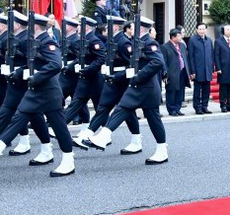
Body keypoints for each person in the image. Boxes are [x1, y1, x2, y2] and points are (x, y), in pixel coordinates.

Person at [0, 13, 76, 178]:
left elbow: (56, 64)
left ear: (35, 26)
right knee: (19, 116)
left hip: (48, 92)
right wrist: (20, 72)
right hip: (35, 90)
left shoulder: (47, 42)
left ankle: (68, 160)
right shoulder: (34, 42)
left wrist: (36, 76)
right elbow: (30, 64)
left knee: (59, 127)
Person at [87, 17, 169, 165]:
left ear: (141, 29)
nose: (131, 30)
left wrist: (139, 76)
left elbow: (158, 62)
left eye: (134, 27)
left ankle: (162, 150)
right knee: (122, 108)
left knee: (153, 119)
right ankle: (104, 135)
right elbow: (133, 66)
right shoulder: (137, 43)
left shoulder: (150, 43)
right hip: (138, 86)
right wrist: (118, 76)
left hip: (147, 87)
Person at [74, 17, 142, 154]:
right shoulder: (112, 41)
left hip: (121, 82)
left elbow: (132, 65)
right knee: (103, 108)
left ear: (115, 27)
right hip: (110, 81)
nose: (105, 30)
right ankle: (87, 134)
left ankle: (136, 141)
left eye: (109, 26)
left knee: (128, 112)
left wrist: (119, 76)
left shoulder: (123, 42)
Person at [58, 17, 85, 124]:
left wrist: (70, 66)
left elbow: (80, 57)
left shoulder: (76, 40)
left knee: (77, 97)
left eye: (65, 25)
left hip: (72, 73)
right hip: (65, 73)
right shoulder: (65, 39)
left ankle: (76, 117)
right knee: (74, 97)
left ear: (69, 27)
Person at [162, 28, 190, 116]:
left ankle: (178, 108)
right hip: (172, 72)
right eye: (178, 36)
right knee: (171, 91)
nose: (181, 37)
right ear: (173, 37)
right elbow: (164, 62)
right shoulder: (165, 47)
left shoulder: (182, 45)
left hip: (182, 71)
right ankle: (171, 109)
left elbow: (185, 57)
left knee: (180, 91)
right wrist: (165, 74)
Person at [188, 23, 214, 115]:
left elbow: (211, 55)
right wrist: (192, 71)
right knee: (197, 90)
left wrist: (212, 68)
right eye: (200, 29)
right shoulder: (193, 40)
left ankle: (205, 106)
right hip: (198, 70)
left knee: (206, 90)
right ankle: (197, 107)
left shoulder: (209, 40)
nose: (202, 31)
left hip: (207, 70)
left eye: (203, 29)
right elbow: (190, 57)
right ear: (196, 30)